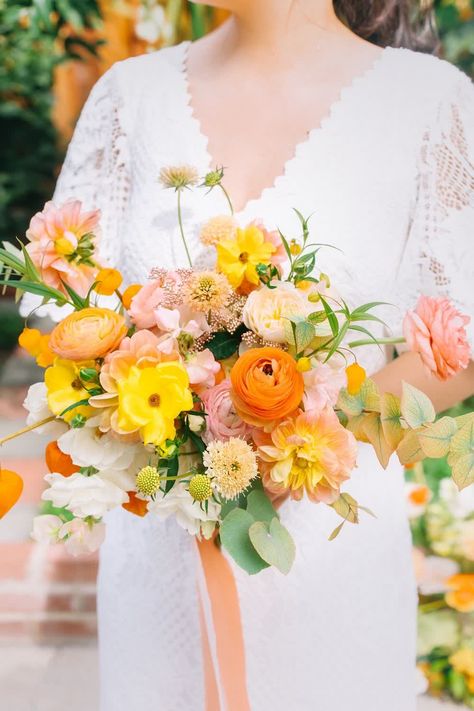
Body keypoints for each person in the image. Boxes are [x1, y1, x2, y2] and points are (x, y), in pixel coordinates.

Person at [52, 1, 474, 709]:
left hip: (333, 559)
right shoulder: (129, 98)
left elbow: (460, 342)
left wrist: (300, 437)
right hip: (160, 559)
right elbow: (70, 310)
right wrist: (166, 422)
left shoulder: (429, 103)